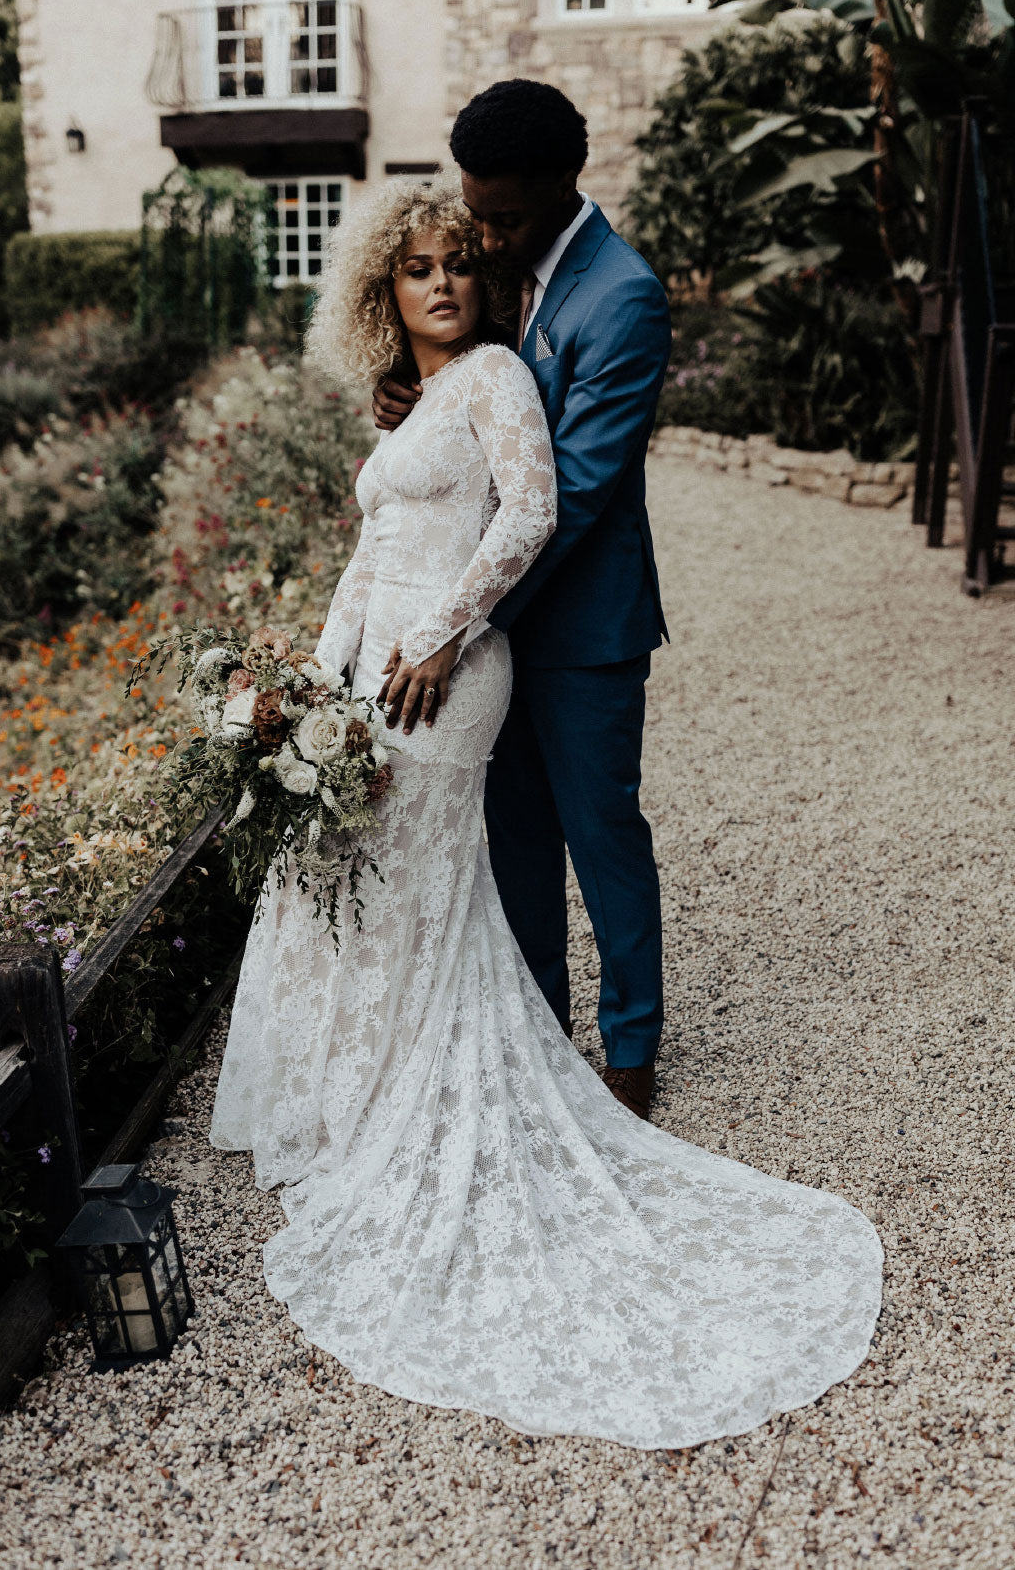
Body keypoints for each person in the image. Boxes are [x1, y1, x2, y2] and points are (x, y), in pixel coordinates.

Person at [210, 176, 882, 1450]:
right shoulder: (411, 401)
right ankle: (361, 1083)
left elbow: (533, 510)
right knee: (359, 871)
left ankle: (477, 1075)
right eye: (419, 269)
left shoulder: (498, 381)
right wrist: (310, 679)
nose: (446, 282)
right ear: (383, 292)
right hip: (368, 670)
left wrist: (448, 634)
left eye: (462, 262)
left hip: (447, 670)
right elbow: (361, 559)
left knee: (424, 867)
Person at [375, 80, 669, 1121]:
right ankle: (540, 1030)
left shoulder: (621, 295)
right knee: (517, 839)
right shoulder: (514, 279)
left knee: (602, 834)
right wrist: (410, 400)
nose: (486, 239)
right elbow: (473, 391)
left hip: (582, 626)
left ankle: (631, 1047)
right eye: (477, 212)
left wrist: (463, 617)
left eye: (504, 218)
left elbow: (578, 490)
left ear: (564, 184)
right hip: (499, 628)